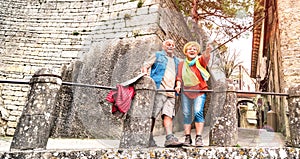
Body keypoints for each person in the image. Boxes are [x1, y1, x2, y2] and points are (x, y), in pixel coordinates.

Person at [141, 39, 183, 147]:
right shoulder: (158, 55)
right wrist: (146, 77)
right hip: (159, 89)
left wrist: (178, 85)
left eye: (173, 45)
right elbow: (145, 66)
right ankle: (148, 137)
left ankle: (169, 138)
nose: (171, 46)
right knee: (153, 114)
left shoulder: (177, 61)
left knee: (168, 115)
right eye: (168, 44)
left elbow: (179, 76)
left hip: (171, 92)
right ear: (163, 46)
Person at [175, 41, 212, 147]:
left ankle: (198, 137)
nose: (192, 50)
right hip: (186, 92)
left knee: (197, 112)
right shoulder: (182, 64)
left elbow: (205, 57)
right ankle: (187, 137)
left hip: (199, 91)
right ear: (186, 52)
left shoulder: (200, 61)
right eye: (189, 49)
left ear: (197, 52)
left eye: (194, 49)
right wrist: (178, 85)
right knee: (186, 113)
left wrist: (208, 50)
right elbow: (179, 77)